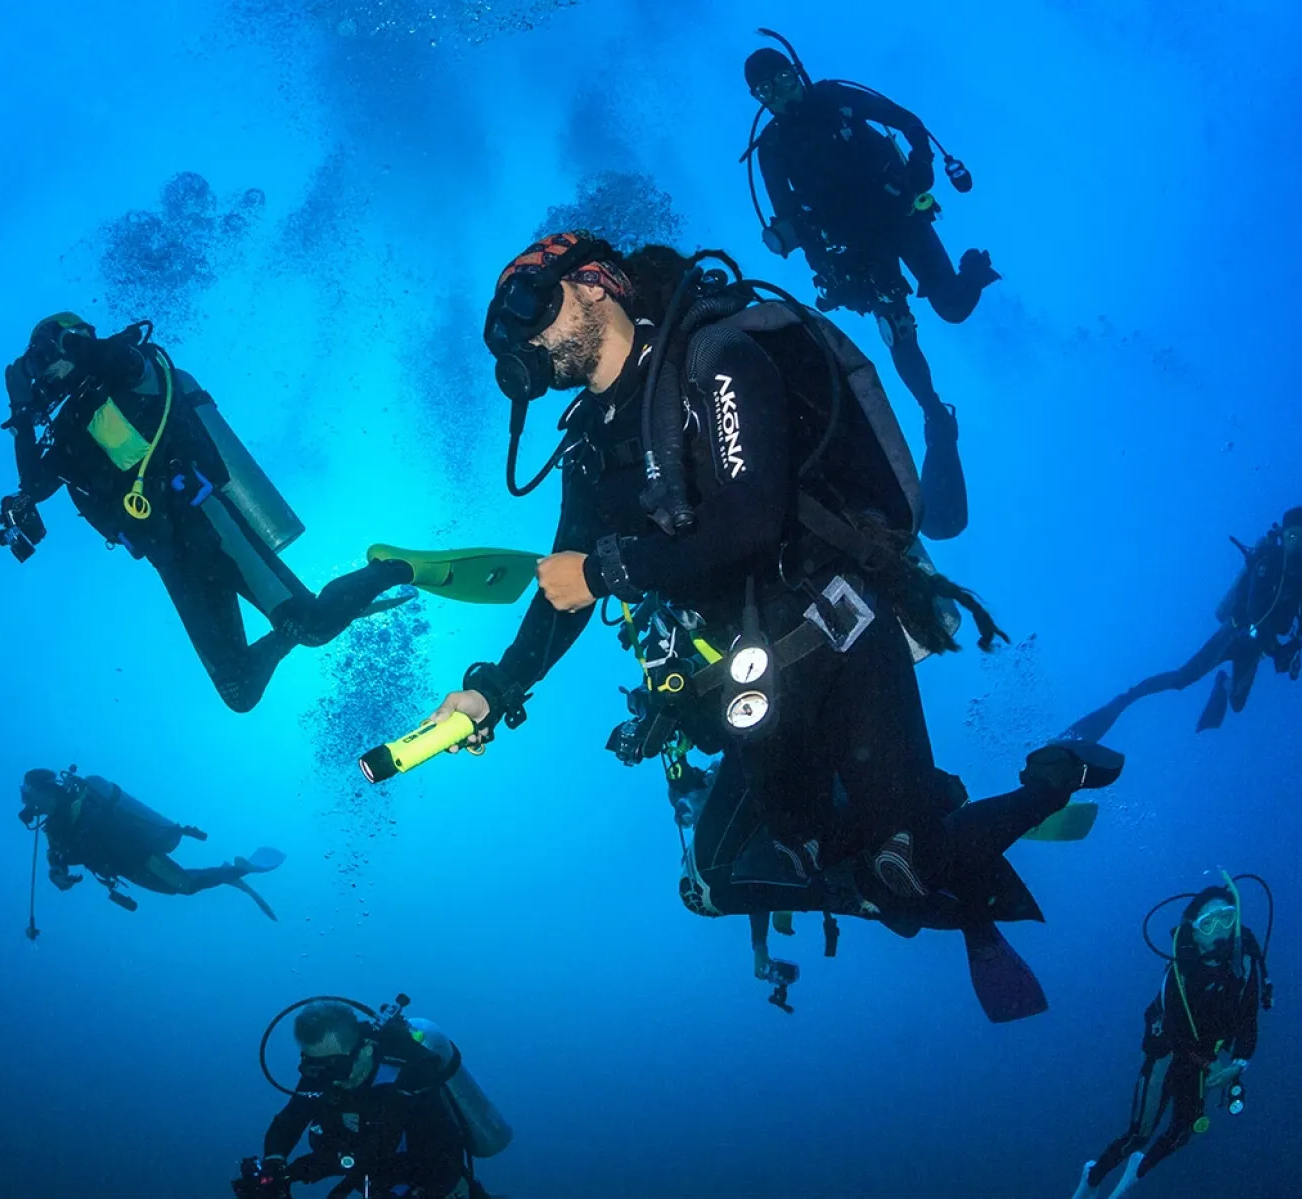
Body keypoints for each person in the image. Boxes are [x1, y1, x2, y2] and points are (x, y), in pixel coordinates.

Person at [428, 230, 1102, 1015]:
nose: (529, 341)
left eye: (534, 308)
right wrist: (494, 689)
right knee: (826, 866)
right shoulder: (585, 447)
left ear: (595, 285)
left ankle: (1055, 778)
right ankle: (930, 829)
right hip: (752, 684)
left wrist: (608, 571)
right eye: (513, 337)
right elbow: (560, 586)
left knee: (907, 864)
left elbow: (749, 520)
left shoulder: (715, 360)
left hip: (838, 633)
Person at [0, 314, 414, 712]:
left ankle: (392, 569)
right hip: (168, 559)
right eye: (36, 368)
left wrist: (74, 346)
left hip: (206, 520)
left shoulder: (129, 367)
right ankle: (290, 629)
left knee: (314, 629)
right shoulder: (66, 431)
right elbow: (35, 486)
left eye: (44, 359)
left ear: (71, 343)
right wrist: (21, 413)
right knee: (239, 692)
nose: (43, 373)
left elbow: (121, 363)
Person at [742, 33, 1001, 539]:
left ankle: (973, 270)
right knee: (896, 330)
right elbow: (790, 218)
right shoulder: (771, 150)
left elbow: (908, 121)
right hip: (859, 251)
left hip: (901, 212)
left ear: (798, 72)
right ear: (759, 101)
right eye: (766, 92)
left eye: (782, 82)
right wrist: (826, 270)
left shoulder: (836, 98)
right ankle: (934, 414)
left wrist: (923, 163)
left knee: (951, 307)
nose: (779, 95)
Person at [674, 741, 1122, 1020]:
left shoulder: (748, 796)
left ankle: (1053, 784)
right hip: (873, 882)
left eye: (689, 805)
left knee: (925, 867)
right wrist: (760, 950)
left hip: (877, 859)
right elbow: (760, 889)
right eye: (687, 812)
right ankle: (980, 914)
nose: (692, 815)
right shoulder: (738, 837)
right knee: (936, 884)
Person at [1074, 878, 1273, 1198]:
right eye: (1208, 923)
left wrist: (1239, 1063)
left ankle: (1130, 1180)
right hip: (1167, 1054)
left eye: (1227, 917)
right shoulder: (1180, 974)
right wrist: (1213, 1064)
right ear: (1193, 931)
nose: (1219, 929)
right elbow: (1176, 1031)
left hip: (1206, 1060)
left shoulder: (1246, 963)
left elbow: (1250, 1018)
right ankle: (1092, 1180)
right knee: (1139, 1134)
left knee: (1182, 1134)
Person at [1063, 506, 1302, 739]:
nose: (1296, 543)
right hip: (1234, 634)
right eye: (1292, 536)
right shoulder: (1268, 559)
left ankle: (1223, 684)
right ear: (1282, 534)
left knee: (1237, 703)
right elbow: (1255, 607)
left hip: (1256, 648)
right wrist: (1276, 649)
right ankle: (1127, 698)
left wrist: (1293, 646)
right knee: (1182, 679)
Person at [238, 998, 511, 1199]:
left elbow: (383, 1150)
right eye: (312, 1067)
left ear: (365, 1050)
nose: (327, 1078)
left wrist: (303, 1171)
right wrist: (275, 1165)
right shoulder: (326, 1071)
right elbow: (291, 1118)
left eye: (334, 1067)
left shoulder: (409, 1077)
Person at [17, 767, 284, 925]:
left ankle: (236, 871)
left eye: (28, 795)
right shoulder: (54, 828)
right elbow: (57, 858)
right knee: (176, 889)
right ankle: (228, 873)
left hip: (138, 854)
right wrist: (58, 874)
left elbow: (98, 830)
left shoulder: (81, 801)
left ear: (44, 791)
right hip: (123, 869)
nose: (27, 803)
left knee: (185, 886)